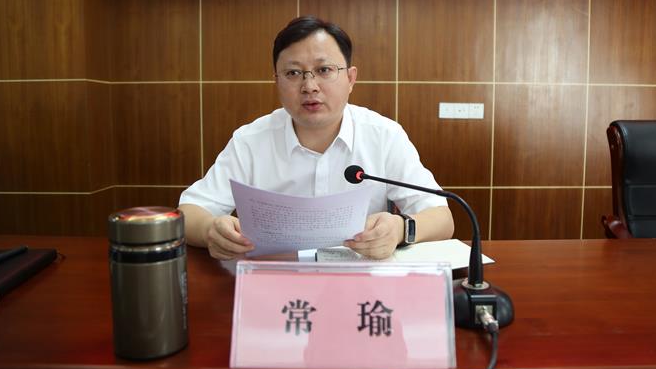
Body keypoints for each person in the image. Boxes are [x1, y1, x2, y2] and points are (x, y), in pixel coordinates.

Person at [178, 16, 454, 260]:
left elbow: (442, 218)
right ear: (277, 81)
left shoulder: (384, 136)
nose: (309, 86)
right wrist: (210, 230)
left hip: (360, 280)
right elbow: (189, 211)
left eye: (324, 70)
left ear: (350, 78)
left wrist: (400, 229)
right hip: (274, 278)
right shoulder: (250, 140)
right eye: (293, 73)